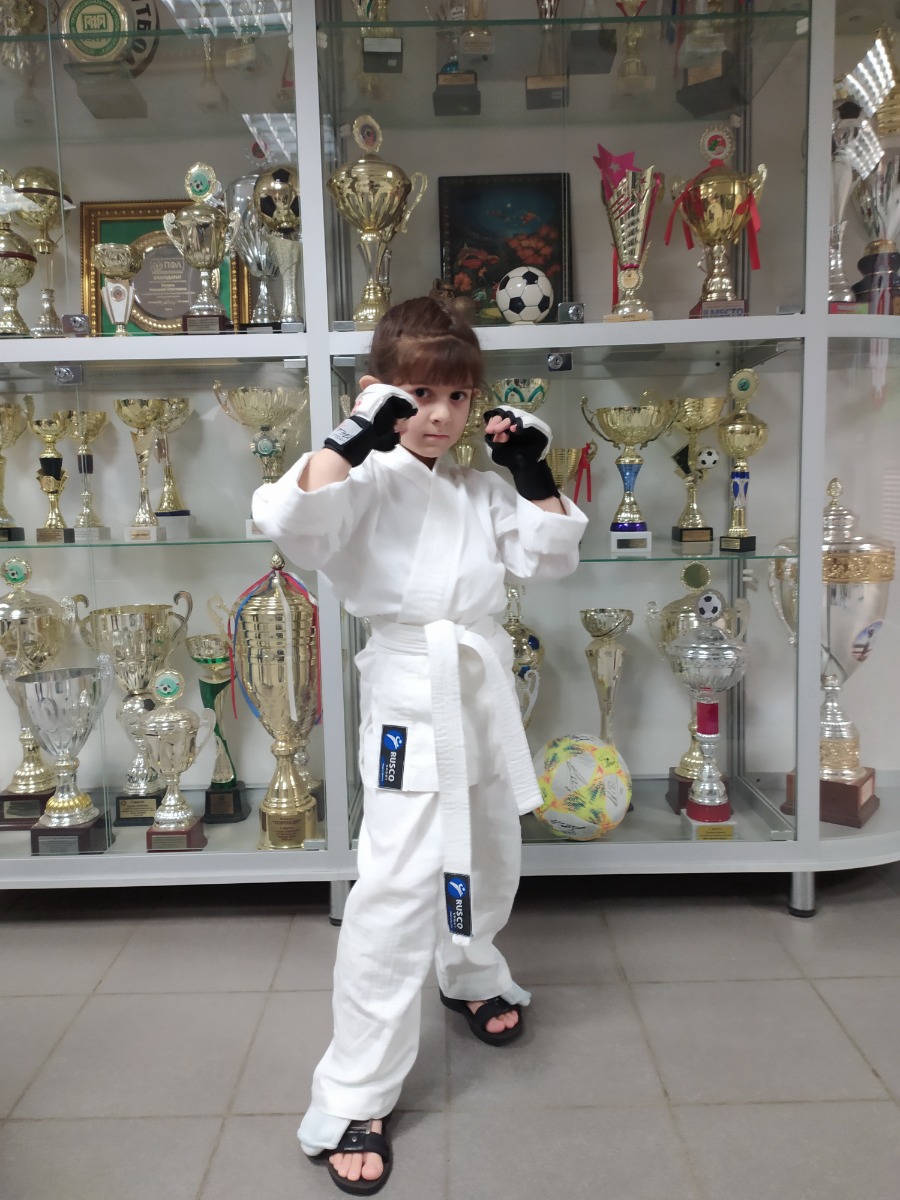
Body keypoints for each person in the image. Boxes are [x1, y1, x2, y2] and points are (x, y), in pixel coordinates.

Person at [251, 296, 587, 1195]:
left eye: (458, 396)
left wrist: (532, 471)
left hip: (481, 688)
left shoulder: (477, 488)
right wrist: (350, 438)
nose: (441, 416)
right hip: (410, 690)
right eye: (421, 394)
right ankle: (355, 1094)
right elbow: (290, 524)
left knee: (491, 850)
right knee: (397, 889)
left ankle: (470, 969)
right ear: (381, 393)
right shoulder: (357, 480)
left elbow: (551, 557)